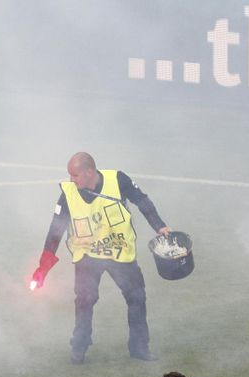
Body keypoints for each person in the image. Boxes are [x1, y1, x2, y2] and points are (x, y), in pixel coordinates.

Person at [30, 152, 172, 364]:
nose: (71, 180)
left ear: (89, 172)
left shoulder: (118, 180)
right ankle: (79, 348)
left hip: (119, 251)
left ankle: (139, 348)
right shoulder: (68, 194)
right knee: (85, 300)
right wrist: (42, 269)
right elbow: (55, 231)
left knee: (137, 297)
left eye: (75, 175)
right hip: (87, 254)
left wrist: (159, 226)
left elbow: (142, 200)